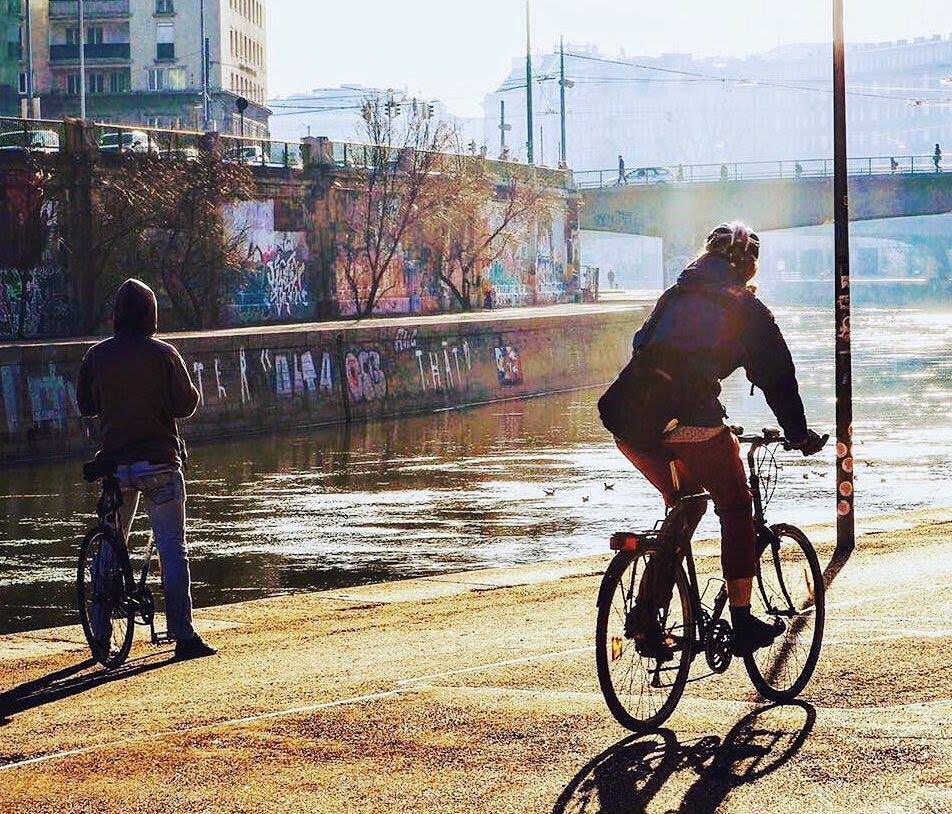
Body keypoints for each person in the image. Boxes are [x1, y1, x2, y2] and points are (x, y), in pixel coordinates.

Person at [602, 222, 826, 656]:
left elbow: (640, 344)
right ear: (747, 266)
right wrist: (797, 434)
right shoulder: (744, 308)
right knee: (736, 505)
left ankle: (648, 617)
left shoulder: (675, 295)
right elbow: (777, 376)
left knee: (687, 504)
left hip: (628, 416)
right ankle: (741, 620)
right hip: (688, 416)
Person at [77, 278, 215, 660]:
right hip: (160, 464)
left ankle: (101, 634)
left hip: (114, 466)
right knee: (173, 550)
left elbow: (86, 406)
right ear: (151, 314)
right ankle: (184, 636)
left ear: (116, 316)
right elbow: (185, 405)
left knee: (109, 549)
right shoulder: (164, 354)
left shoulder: (96, 356)